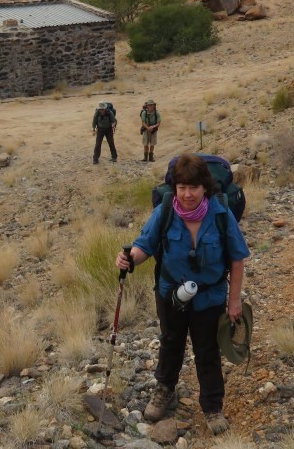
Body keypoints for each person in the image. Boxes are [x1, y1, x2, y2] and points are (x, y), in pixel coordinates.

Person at [115, 153, 249, 435]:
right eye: (181, 188)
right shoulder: (164, 211)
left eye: (194, 188)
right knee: (171, 342)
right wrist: (129, 259)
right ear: (175, 188)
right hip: (170, 293)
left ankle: (212, 407)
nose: (187, 195)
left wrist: (234, 300)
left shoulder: (221, 214)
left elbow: (238, 259)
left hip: (210, 298)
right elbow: (144, 247)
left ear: (205, 188)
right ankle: (164, 391)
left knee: (207, 351)